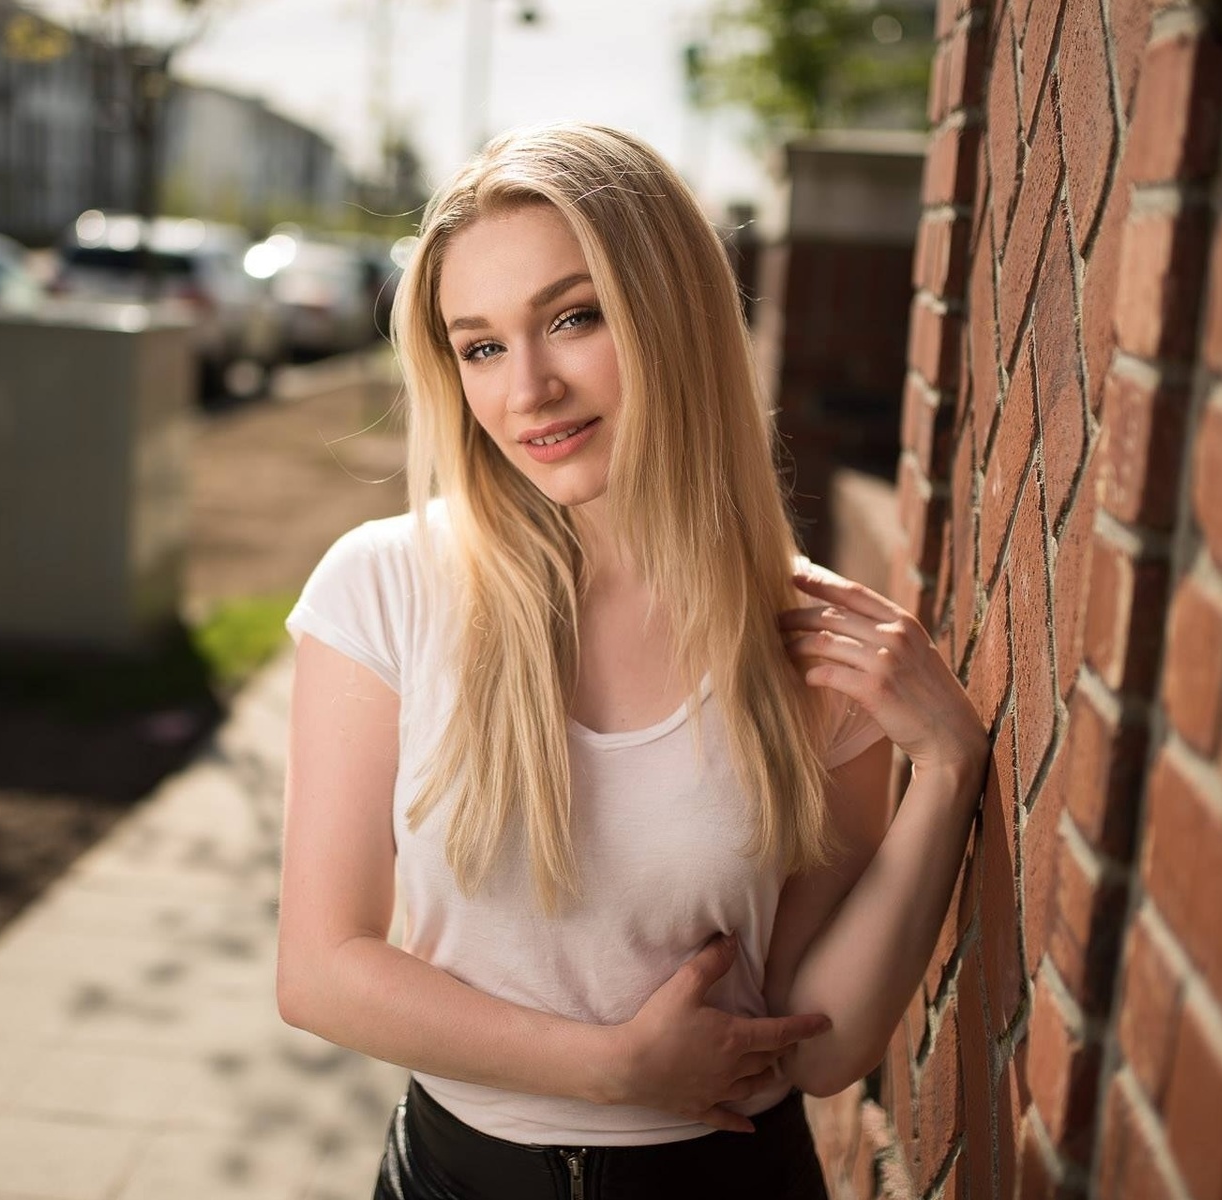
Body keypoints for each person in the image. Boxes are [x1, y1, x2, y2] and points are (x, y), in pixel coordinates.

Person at [277, 123, 988, 1199]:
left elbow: (822, 1043)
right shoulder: (384, 587)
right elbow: (320, 971)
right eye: (481, 345)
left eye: (573, 318)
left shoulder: (810, 641)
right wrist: (608, 1069)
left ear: (675, 317)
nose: (528, 391)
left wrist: (944, 770)